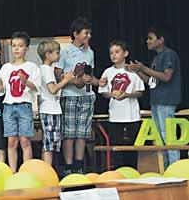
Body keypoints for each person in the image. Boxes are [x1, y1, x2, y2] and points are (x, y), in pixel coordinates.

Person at [128, 27, 182, 167]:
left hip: (166, 101)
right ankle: (164, 167)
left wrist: (144, 68)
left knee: (167, 135)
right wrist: (137, 71)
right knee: (158, 137)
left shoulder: (168, 54)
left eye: (150, 38)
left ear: (161, 40)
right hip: (156, 101)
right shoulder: (156, 58)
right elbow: (152, 82)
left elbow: (166, 76)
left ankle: (174, 167)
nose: (147, 41)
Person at [55, 17, 101, 175]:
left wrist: (97, 82)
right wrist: (75, 80)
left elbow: (90, 74)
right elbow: (58, 74)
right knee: (69, 133)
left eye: (89, 33)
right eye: (85, 33)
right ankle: (68, 166)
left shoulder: (90, 52)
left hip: (86, 96)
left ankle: (79, 165)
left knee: (82, 132)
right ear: (75, 34)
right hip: (69, 95)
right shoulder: (64, 50)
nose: (88, 36)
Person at [0, 32, 41, 172]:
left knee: (25, 140)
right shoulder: (6, 67)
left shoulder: (32, 67)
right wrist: (0, 86)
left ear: (26, 48)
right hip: (8, 106)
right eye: (14, 46)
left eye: (20, 46)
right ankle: (13, 171)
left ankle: (27, 171)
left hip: (24, 106)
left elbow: (37, 88)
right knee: (11, 141)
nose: (16, 49)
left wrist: (25, 81)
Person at [99, 40, 144, 169]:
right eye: (111, 53)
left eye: (117, 52)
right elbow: (103, 92)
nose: (114, 55)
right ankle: (118, 173)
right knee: (116, 148)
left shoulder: (132, 71)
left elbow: (140, 92)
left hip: (131, 116)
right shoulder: (107, 72)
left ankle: (132, 172)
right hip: (115, 116)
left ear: (125, 53)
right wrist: (112, 94)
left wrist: (127, 95)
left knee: (131, 148)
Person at [36, 40, 73, 166]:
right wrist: (66, 80)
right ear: (48, 54)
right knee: (50, 143)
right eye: (57, 52)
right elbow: (52, 89)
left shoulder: (46, 69)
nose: (59, 55)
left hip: (50, 108)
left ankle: (46, 168)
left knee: (50, 141)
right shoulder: (46, 69)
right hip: (50, 108)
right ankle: (48, 168)